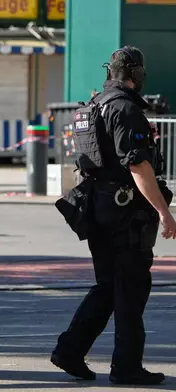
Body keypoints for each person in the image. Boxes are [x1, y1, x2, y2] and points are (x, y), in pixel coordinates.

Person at [52, 46, 176, 386]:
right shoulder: (124, 108)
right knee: (131, 287)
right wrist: (164, 212)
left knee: (108, 285)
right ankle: (126, 367)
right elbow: (136, 164)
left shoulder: (92, 107)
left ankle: (70, 351)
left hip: (98, 208)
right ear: (134, 73)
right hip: (125, 213)